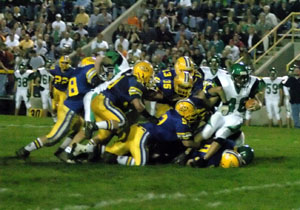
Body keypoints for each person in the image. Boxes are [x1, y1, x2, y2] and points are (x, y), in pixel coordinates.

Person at [15, 55, 105, 159]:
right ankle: (26, 149)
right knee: (52, 138)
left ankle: (63, 150)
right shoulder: (88, 70)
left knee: (83, 130)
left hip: (72, 107)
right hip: (71, 110)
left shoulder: (77, 72)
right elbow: (94, 81)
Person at [69, 61, 158, 160]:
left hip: (100, 102)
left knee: (104, 136)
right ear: (142, 73)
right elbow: (138, 106)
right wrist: (149, 117)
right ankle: (92, 126)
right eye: (150, 75)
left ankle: (80, 150)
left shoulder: (130, 78)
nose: (151, 78)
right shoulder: (135, 82)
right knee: (122, 121)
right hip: (104, 101)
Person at [193, 62, 262, 164]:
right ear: (233, 76)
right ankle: (187, 151)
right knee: (207, 132)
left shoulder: (253, 83)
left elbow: (257, 101)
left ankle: (204, 160)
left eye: (244, 77)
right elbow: (209, 91)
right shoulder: (223, 80)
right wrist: (220, 94)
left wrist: (257, 105)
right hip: (222, 112)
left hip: (236, 116)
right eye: (239, 77)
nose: (242, 80)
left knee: (222, 133)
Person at [103, 98, 200, 166]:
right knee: (140, 163)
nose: (193, 114)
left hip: (136, 129)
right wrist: (198, 144)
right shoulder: (181, 122)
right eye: (192, 111)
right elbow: (186, 142)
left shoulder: (171, 112)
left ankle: (102, 152)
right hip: (142, 135)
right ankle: (117, 159)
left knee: (110, 152)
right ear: (185, 111)